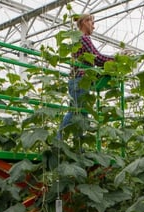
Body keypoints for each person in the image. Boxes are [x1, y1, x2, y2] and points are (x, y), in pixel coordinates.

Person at [58, 13, 114, 141]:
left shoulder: (78, 39)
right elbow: (97, 58)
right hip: (80, 80)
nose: (93, 27)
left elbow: (92, 59)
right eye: (92, 23)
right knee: (76, 111)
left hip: (77, 80)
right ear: (85, 22)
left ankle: (78, 145)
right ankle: (59, 140)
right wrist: (116, 59)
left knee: (81, 113)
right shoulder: (84, 38)